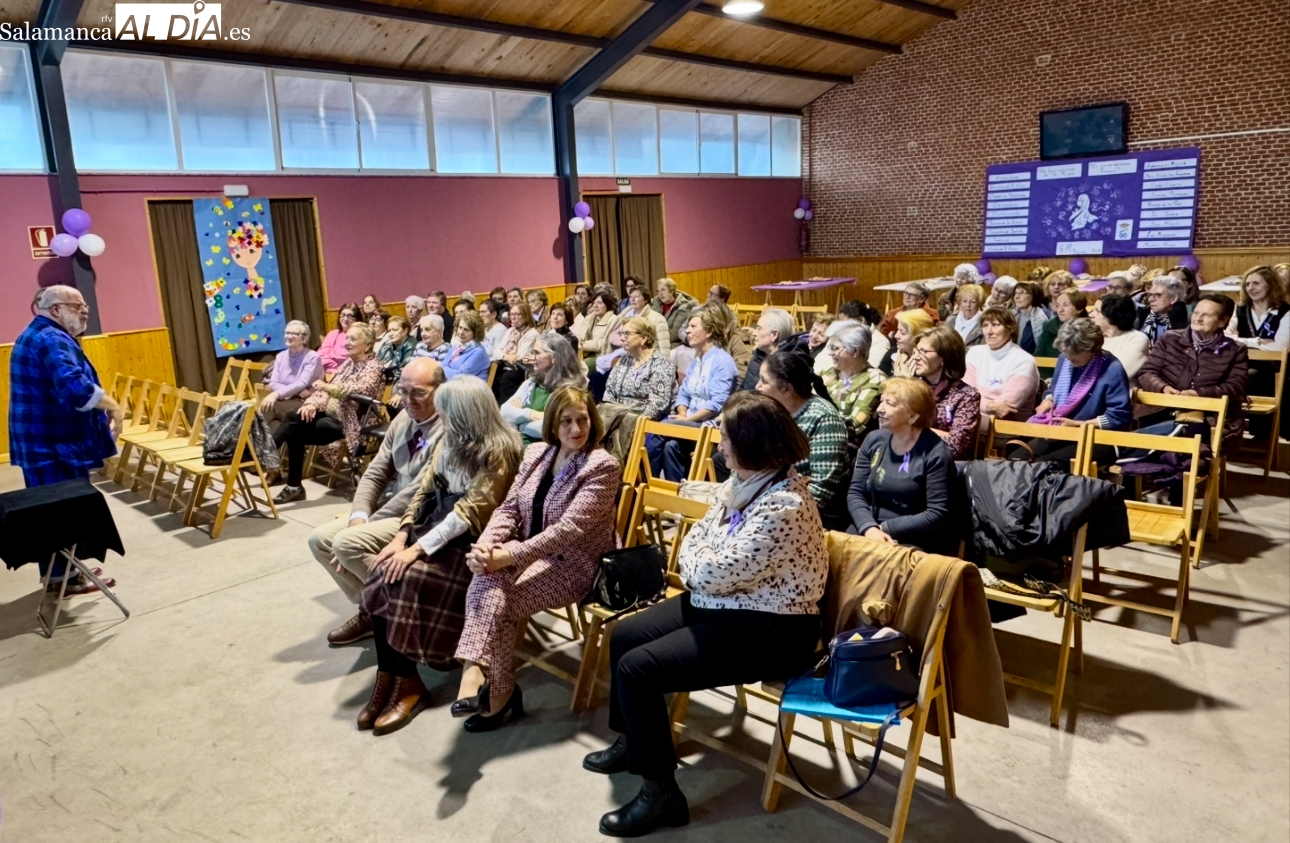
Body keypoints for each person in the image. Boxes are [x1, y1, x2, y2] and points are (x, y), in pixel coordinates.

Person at [586, 391, 826, 838]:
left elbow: (709, 568)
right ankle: (633, 740)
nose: (718, 446)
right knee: (624, 636)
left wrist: (698, 560)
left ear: (751, 444)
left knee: (639, 670)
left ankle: (661, 795)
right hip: (726, 607)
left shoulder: (785, 504)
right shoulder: (742, 484)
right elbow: (698, 542)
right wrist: (701, 559)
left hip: (771, 629)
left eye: (726, 438)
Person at [356, 377, 522, 734]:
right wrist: (401, 537)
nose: (440, 417)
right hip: (436, 529)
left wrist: (416, 550)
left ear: (465, 414)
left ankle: (408, 682)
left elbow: (469, 512)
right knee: (387, 567)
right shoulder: (451, 438)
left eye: (446, 412)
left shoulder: (500, 449)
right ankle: (391, 676)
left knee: (407, 578)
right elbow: (425, 490)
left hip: (474, 542)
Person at [456, 387, 621, 732]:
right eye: (566, 421)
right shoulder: (536, 455)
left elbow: (569, 529)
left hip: (577, 564)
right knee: (488, 578)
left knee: (501, 600)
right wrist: (485, 548)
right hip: (534, 552)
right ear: (551, 424)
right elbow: (510, 508)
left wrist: (509, 555)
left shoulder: (601, 465)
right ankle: (479, 672)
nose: (576, 429)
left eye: (583, 419)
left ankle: (490, 683)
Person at [306, 359, 446, 645]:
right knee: (319, 540)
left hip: (420, 516)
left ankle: (408, 615)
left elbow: (419, 491)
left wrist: (361, 529)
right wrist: (359, 517)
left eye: (419, 392)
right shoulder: (403, 418)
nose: (408, 400)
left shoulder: (448, 428)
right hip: (393, 511)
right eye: (403, 391)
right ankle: (375, 612)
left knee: (346, 544)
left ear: (441, 390)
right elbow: (376, 472)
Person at [9, 285, 123, 594]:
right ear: (55, 310)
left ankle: (67, 571)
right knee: (60, 516)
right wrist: (114, 407)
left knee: (54, 514)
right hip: (52, 445)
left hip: (43, 441)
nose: (84, 310)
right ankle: (63, 580)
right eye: (76, 306)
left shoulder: (40, 333)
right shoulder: (51, 338)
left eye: (85, 305)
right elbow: (75, 388)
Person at [271, 323, 384, 504]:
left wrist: (329, 387)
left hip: (350, 421)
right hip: (330, 414)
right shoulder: (348, 364)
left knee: (294, 429)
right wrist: (312, 404)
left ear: (368, 345)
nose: (347, 342)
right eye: (347, 338)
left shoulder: (374, 367)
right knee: (294, 418)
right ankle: (290, 482)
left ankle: (270, 458)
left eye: (353, 339)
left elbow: (359, 390)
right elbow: (322, 392)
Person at [847, 378, 956, 555]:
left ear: (913, 415)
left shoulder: (936, 453)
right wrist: (869, 527)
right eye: (881, 401)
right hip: (869, 527)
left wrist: (886, 529)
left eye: (890, 404)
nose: (880, 409)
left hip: (912, 536)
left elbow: (937, 513)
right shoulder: (874, 440)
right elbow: (856, 492)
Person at [1138, 294, 1250, 447]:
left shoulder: (1235, 350)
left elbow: (1235, 387)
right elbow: (1147, 373)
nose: (1198, 318)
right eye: (1196, 313)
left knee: (1187, 434)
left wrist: (1198, 393)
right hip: (1162, 407)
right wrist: (1163, 388)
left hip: (1206, 413)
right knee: (1148, 427)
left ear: (1222, 321)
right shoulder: (1169, 339)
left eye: (1206, 315)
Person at [755, 351, 850, 529]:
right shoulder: (769, 411)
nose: (757, 386)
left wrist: (768, 500)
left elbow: (823, 492)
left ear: (787, 389)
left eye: (764, 381)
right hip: (767, 499)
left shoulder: (824, 419)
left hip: (810, 514)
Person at [1017, 319, 1132, 464]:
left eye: (1075, 353)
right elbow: (1052, 389)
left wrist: (1079, 424)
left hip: (1099, 437)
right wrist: (1048, 400)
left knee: (1044, 464)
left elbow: (1120, 417)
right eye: (1066, 352)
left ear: (1092, 349)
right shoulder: (1064, 359)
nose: (1070, 357)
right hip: (1061, 431)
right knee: (1018, 457)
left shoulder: (1112, 368)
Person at [647, 309, 739, 481]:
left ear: (709, 331)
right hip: (689, 423)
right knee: (671, 447)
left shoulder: (722, 361)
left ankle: (644, 481)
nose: (687, 330)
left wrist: (687, 421)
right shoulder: (696, 361)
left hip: (708, 427)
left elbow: (717, 404)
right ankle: (677, 499)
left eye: (693, 326)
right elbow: (683, 394)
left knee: (658, 429)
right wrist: (682, 414)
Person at [501, 333, 587, 445]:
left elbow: (551, 429)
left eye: (537, 353)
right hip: (516, 443)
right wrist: (530, 414)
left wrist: (519, 423)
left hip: (544, 450)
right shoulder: (531, 383)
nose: (532, 357)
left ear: (554, 358)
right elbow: (504, 411)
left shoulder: (568, 391)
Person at [964, 307, 1041, 431]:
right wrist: (989, 406)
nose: (989, 331)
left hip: (1008, 427)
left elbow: (1003, 408)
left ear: (1010, 328)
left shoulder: (1024, 361)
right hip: (973, 419)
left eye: (995, 325)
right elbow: (965, 394)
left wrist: (971, 403)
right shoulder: (975, 352)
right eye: (985, 325)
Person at [913, 327, 981, 460]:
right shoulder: (911, 388)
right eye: (916, 351)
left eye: (924, 352)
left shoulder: (966, 396)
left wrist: (915, 431)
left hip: (945, 466)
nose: (916, 357)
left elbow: (956, 447)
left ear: (944, 357)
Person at [602, 317, 677, 421]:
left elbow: (658, 403)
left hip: (644, 421)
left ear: (644, 338)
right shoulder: (624, 359)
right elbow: (609, 391)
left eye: (627, 334)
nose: (622, 338)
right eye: (621, 334)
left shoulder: (660, 363)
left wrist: (635, 421)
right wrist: (609, 414)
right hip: (618, 417)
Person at [821, 325, 887, 443]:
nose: (830, 353)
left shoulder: (875, 380)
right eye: (830, 347)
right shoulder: (829, 374)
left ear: (855, 351)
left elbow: (855, 426)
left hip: (848, 448)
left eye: (835, 348)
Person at [260, 320, 325, 425]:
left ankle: (263, 441)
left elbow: (302, 383)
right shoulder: (281, 356)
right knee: (270, 412)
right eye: (287, 333)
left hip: (308, 402)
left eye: (294, 333)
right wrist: (296, 391)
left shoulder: (312, 357)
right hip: (288, 399)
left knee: (269, 407)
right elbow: (273, 383)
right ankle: (275, 441)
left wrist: (276, 394)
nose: (289, 336)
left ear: (304, 338)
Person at [737, 307, 802, 392]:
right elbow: (743, 390)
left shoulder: (789, 366)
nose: (754, 333)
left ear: (774, 335)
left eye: (759, 329)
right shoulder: (758, 356)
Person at [1228, 265, 1289, 351]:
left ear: (1271, 285)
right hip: (1241, 362)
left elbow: (1280, 348)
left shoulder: (1285, 311)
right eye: (1247, 284)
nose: (1250, 288)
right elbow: (1225, 338)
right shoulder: (1240, 308)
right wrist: (1257, 342)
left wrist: (1240, 342)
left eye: (1256, 283)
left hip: (1273, 364)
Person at [1091, 294, 1151, 382]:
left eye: (1097, 311)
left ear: (1111, 316)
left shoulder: (1137, 339)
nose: (1091, 314)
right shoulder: (1093, 336)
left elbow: (1117, 376)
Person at [1035, 290, 1089, 358]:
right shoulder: (1048, 327)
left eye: (1065, 305)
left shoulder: (1089, 330)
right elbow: (1038, 357)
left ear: (1079, 309)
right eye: (1057, 305)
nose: (1060, 310)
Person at [1138, 275, 1189, 346]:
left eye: (1158, 295)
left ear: (1173, 299)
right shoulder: (1141, 316)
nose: (1150, 299)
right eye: (1150, 295)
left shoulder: (1185, 323)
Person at [882, 308, 934, 377]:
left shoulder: (924, 364)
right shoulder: (892, 353)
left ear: (917, 337)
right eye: (898, 330)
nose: (896, 336)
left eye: (903, 333)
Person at [619, 286, 671, 353]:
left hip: (651, 357)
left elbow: (664, 347)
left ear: (646, 300)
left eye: (637, 296)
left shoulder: (658, 318)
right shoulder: (627, 317)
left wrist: (663, 361)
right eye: (631, 297)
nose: (632, 299)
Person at [441, 311, 491, 380]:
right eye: (460, 327)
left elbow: (461, 377)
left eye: (466, 330)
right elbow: (442, 366)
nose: (461, 332)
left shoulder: (479, 352)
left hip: (469, 389)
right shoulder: (456, 347)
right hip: (451, 386)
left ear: (475, 332)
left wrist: (444, 370)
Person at [651, 277, 700, 348]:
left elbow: (675, 333)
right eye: (658, 291)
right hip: (655, 340)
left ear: (671, 291)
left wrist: (653, 339)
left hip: (673, 343)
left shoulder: (683, 307)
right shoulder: (656, 304)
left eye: (663, 290)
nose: (660, 294)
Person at [577, 291, 620, 363]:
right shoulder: (589, 318)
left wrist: (582, 345)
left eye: (599, 303)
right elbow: (580, 336)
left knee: (579, 368)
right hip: (584, 352)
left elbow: (603, 343)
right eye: (594, 303)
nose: (595, 306)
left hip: (601, 356)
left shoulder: (613, 319)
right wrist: (576, 343)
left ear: (607, 305)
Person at [318, 303, 361, 374]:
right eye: (343, 315)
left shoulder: (360, 335)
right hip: (329, 373)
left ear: (357, 318)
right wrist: (336, 369)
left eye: (350, 316)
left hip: (351, 374)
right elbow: (321, 356)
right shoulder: (333, 334)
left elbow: (355, 359)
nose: (345, 318)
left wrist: (336, 365)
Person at [1011, 281, 1050, 354]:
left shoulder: (1043, 318)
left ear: (1034, 295)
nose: (1016, 297)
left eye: (1022, 293)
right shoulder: (1010, 316)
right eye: (1015, 293)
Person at [376, 316, 416, 382]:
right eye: (389, 331)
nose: (391, 334)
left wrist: (385, 372)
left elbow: (404, 373)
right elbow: (376, 367)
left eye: (395, 330)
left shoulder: (411, 346)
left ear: (405, 330)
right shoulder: (387, 346)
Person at [950, 283, 986, 348]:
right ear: (959, 302)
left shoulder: (984, 323)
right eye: (964, 301)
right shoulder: (950, 320)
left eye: (972, 302)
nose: (968, 305)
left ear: (979, 303)